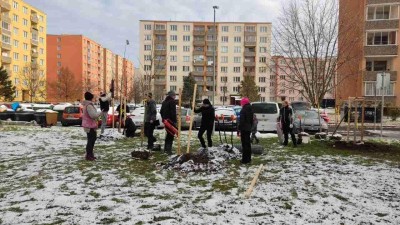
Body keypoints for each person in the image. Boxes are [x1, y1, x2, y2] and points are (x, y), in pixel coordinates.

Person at [82, 92, 100, 161]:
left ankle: (90, 154)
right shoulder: (89, 105)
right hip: (89, 125)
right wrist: (99, 113)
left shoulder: (86, 105)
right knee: (91, 140)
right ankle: (89, 155)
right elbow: (93, 115)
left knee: (92, 139)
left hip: (89, 125)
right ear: (91, 98)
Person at [160, 90, 177, 155]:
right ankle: (168, 150)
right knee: (171, 135)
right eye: (174, 95)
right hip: (171, 121)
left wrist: (164, 118)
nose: (175, 96)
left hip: (165, 121)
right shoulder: (172, 102)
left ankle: (165, 149)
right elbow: (173, 112)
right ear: (172, 95)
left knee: (168, 135)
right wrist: (174, 121)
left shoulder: (164, 102)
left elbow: (161, 111)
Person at [238, 97, 254, 164]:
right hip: (248, 128)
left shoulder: (243, 110)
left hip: (244, 128)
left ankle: (244, 160)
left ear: (243, 103)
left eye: (241, 103)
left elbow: (242, 121)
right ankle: (249, 159)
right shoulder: (251, 109)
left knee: (244, 144)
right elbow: (251, 120)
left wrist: (239, 128)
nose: (241, 104)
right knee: (248, 144)